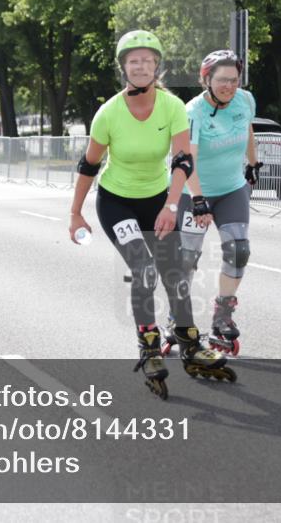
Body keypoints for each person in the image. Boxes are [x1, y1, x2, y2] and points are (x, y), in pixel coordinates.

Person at [68, 30, 236, 399]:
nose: (140, 66)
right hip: (116, 201)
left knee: (174, 271)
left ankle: (190, 345)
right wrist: (75, 213)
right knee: (143, 267)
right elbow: (89, 164)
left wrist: (172, 205)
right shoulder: (108, 113)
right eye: (133, 61)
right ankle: (148, 345)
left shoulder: (171, 106)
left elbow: (182, 159)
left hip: (157, 197)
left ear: (156, 66)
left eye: (147, 60)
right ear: (123, 67)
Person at [166, 50, 259, 357]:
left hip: (231, 188)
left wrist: (253, 164)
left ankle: (223, 314)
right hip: (194, 191)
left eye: (234, 80)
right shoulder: (193, 112)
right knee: (188, 258)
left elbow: (247, 129)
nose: (229, 86)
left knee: (238, 250)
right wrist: (199, 200)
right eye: (222, 81)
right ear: (206, 80)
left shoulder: (245, 100)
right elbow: (187, 157)